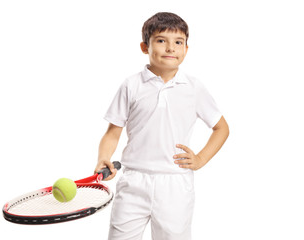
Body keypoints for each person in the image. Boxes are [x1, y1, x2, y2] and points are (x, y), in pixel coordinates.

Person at [94, 12, 229, 240]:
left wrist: (201, 159)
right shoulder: (131, 85)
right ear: (144, 47)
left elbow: (221, 128)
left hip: (175, 183)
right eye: (160, 40)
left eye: (178, 42)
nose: (170, 48)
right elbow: (112, 132)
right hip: (134, 180)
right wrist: (103, 158)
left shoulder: (194, 87)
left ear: (186, 48)